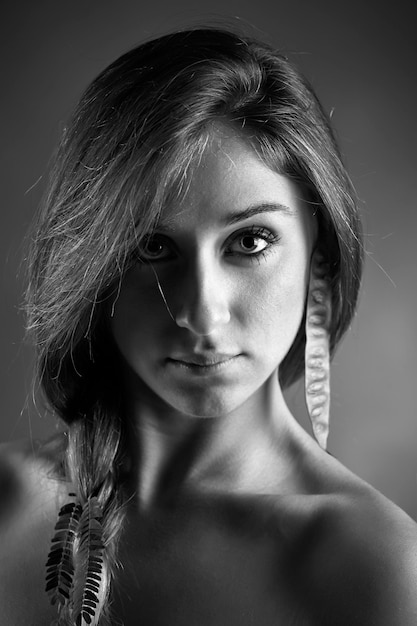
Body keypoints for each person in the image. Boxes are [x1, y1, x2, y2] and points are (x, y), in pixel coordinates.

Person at [0, 26, 416, 626]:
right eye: (151, 246)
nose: (201, 312)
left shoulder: (377, 570)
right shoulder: (7, 505)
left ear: (318, 257)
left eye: (250, 241)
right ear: (89, 263)